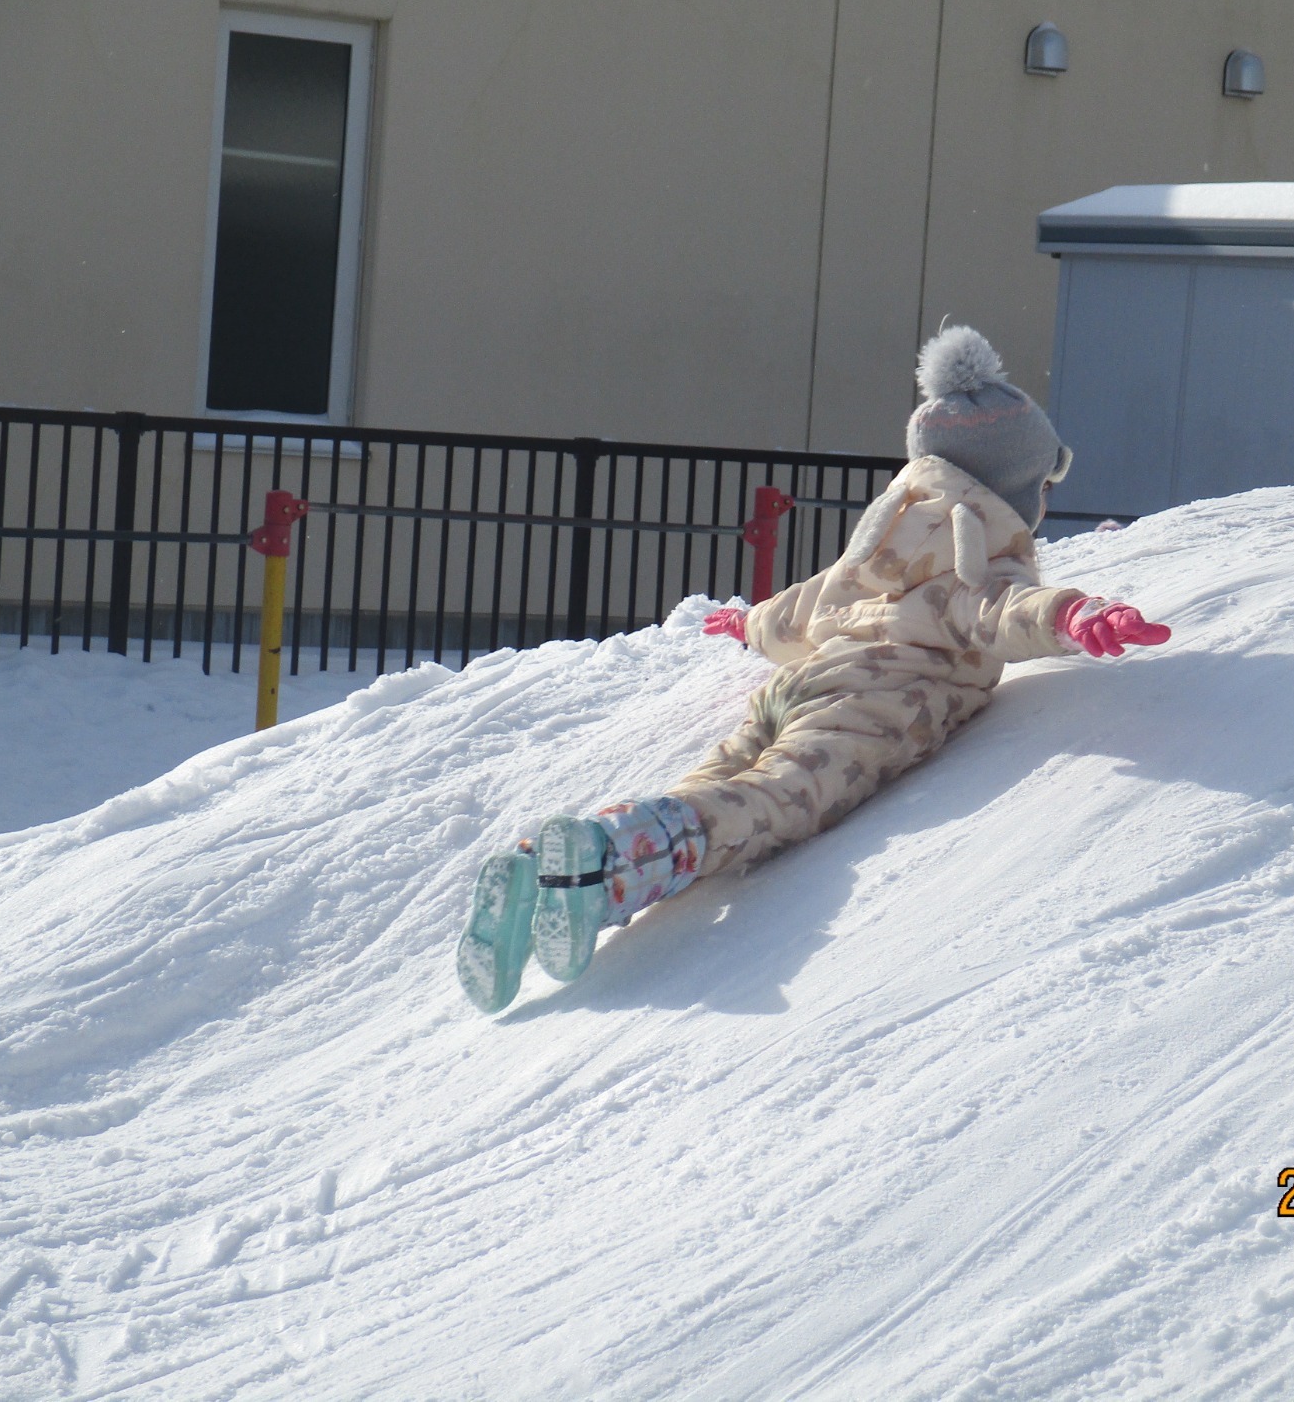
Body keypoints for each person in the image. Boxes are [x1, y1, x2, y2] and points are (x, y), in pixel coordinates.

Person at [457, 326, 1172, 1011]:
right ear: (1014, 489)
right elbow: (1001, 608)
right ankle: (607, 864)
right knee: (774, 798)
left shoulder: (887, 538)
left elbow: (804, 609)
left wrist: (749, 623)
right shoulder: (976, 553)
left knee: (708, 783)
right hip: (872, 704)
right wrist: (1076, 616)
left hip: (795, 685)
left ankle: (552, 864)